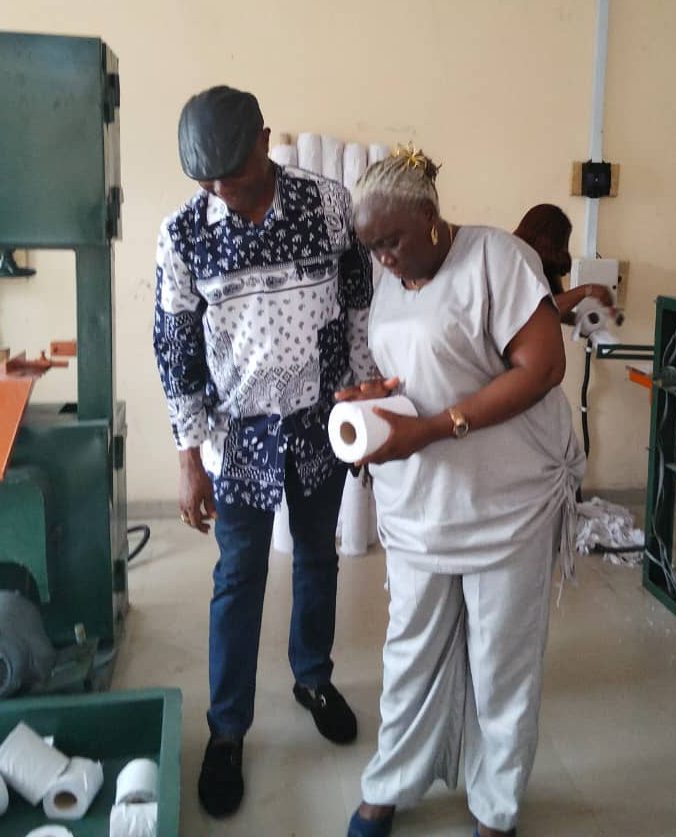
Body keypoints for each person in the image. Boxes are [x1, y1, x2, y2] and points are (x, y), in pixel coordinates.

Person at [337, 146, 585, 837]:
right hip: (421, 504)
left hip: (504, 499)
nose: (382, 257)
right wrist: (371, 402)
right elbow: (411, 369)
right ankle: (389, 782)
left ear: (429, 216)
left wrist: (433, 429)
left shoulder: (497, 260)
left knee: (501, 658)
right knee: (409, 647)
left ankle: (495, 808)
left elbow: (542, 367)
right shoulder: (393, 277)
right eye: (371, 246)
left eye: (390, 240)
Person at [153, 86, 375, 818]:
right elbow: (176, 350)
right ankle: (226, 729)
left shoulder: (327, 204)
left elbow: (358, 302)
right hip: (237, 436)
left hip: (321, 421)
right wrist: (188, 456)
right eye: (207, 182)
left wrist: (365, 402)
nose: (222, 194)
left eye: (233, 177)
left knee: (318, 555)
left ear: (264, 142)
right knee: (237, 578)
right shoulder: (184, 235)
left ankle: (312, 676)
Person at [514, 203, 614, 324]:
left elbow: (555, 309)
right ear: (547, 238)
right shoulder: (516, 261)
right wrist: (587, 290)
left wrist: (582, 323)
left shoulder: (544, 265)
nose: (563, 248)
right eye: (561, 240)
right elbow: (537, 311)